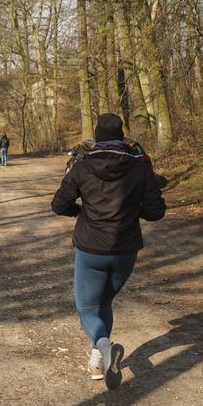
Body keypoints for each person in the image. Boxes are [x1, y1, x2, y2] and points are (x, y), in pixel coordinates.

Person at [50, 113, 166, 390]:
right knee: (104, 304)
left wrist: (82, 212)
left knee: (87, 308)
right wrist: (129, 213)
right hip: (125, 251)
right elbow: (155, 212)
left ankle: (105, 345)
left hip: (92, 249)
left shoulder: (82, 166)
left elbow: (58, 204)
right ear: (122, 135)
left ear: (97, 136)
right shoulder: (139, 168)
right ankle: (97, 361)